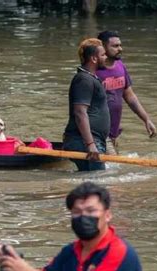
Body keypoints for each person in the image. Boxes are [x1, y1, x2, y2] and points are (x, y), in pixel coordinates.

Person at [0, 182, 142, 271]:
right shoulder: (70, 252)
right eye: (77, 212)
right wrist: (12, 263)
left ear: (107, 215)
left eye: (91, 211)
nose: (84, 217)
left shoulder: (119, 251)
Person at [96, 31, 157, 155]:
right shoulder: (93, 70)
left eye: (120, 45)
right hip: (98, 132)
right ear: (102, 47)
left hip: (113, 132)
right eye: (115, 46)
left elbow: (130, 96)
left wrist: (146, 119)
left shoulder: (120, 66)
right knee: (112, 170)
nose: (120, 49)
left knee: (112, 170)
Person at [63, 38, 110, 171]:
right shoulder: (84, 80)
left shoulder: (90, 78)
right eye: (103, 55)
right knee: (96, 182)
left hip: (90, 141)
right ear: (94, 59)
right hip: (83, 142)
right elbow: (80, 112)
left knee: (92, 180)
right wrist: (90, 144)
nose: (106, 57)